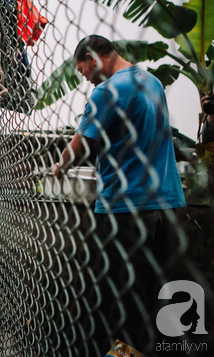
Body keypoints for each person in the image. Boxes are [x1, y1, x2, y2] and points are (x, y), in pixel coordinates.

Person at [51, 35, 186, 354]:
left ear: (91, 57)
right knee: (157, 289)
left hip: (125, 208)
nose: (84, 77)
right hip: (166, 203)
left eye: (82, 69)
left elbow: (81, 142)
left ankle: (126, 353)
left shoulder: (107, 90)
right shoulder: (150, 81)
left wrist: (60, 167)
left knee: (124, 294)